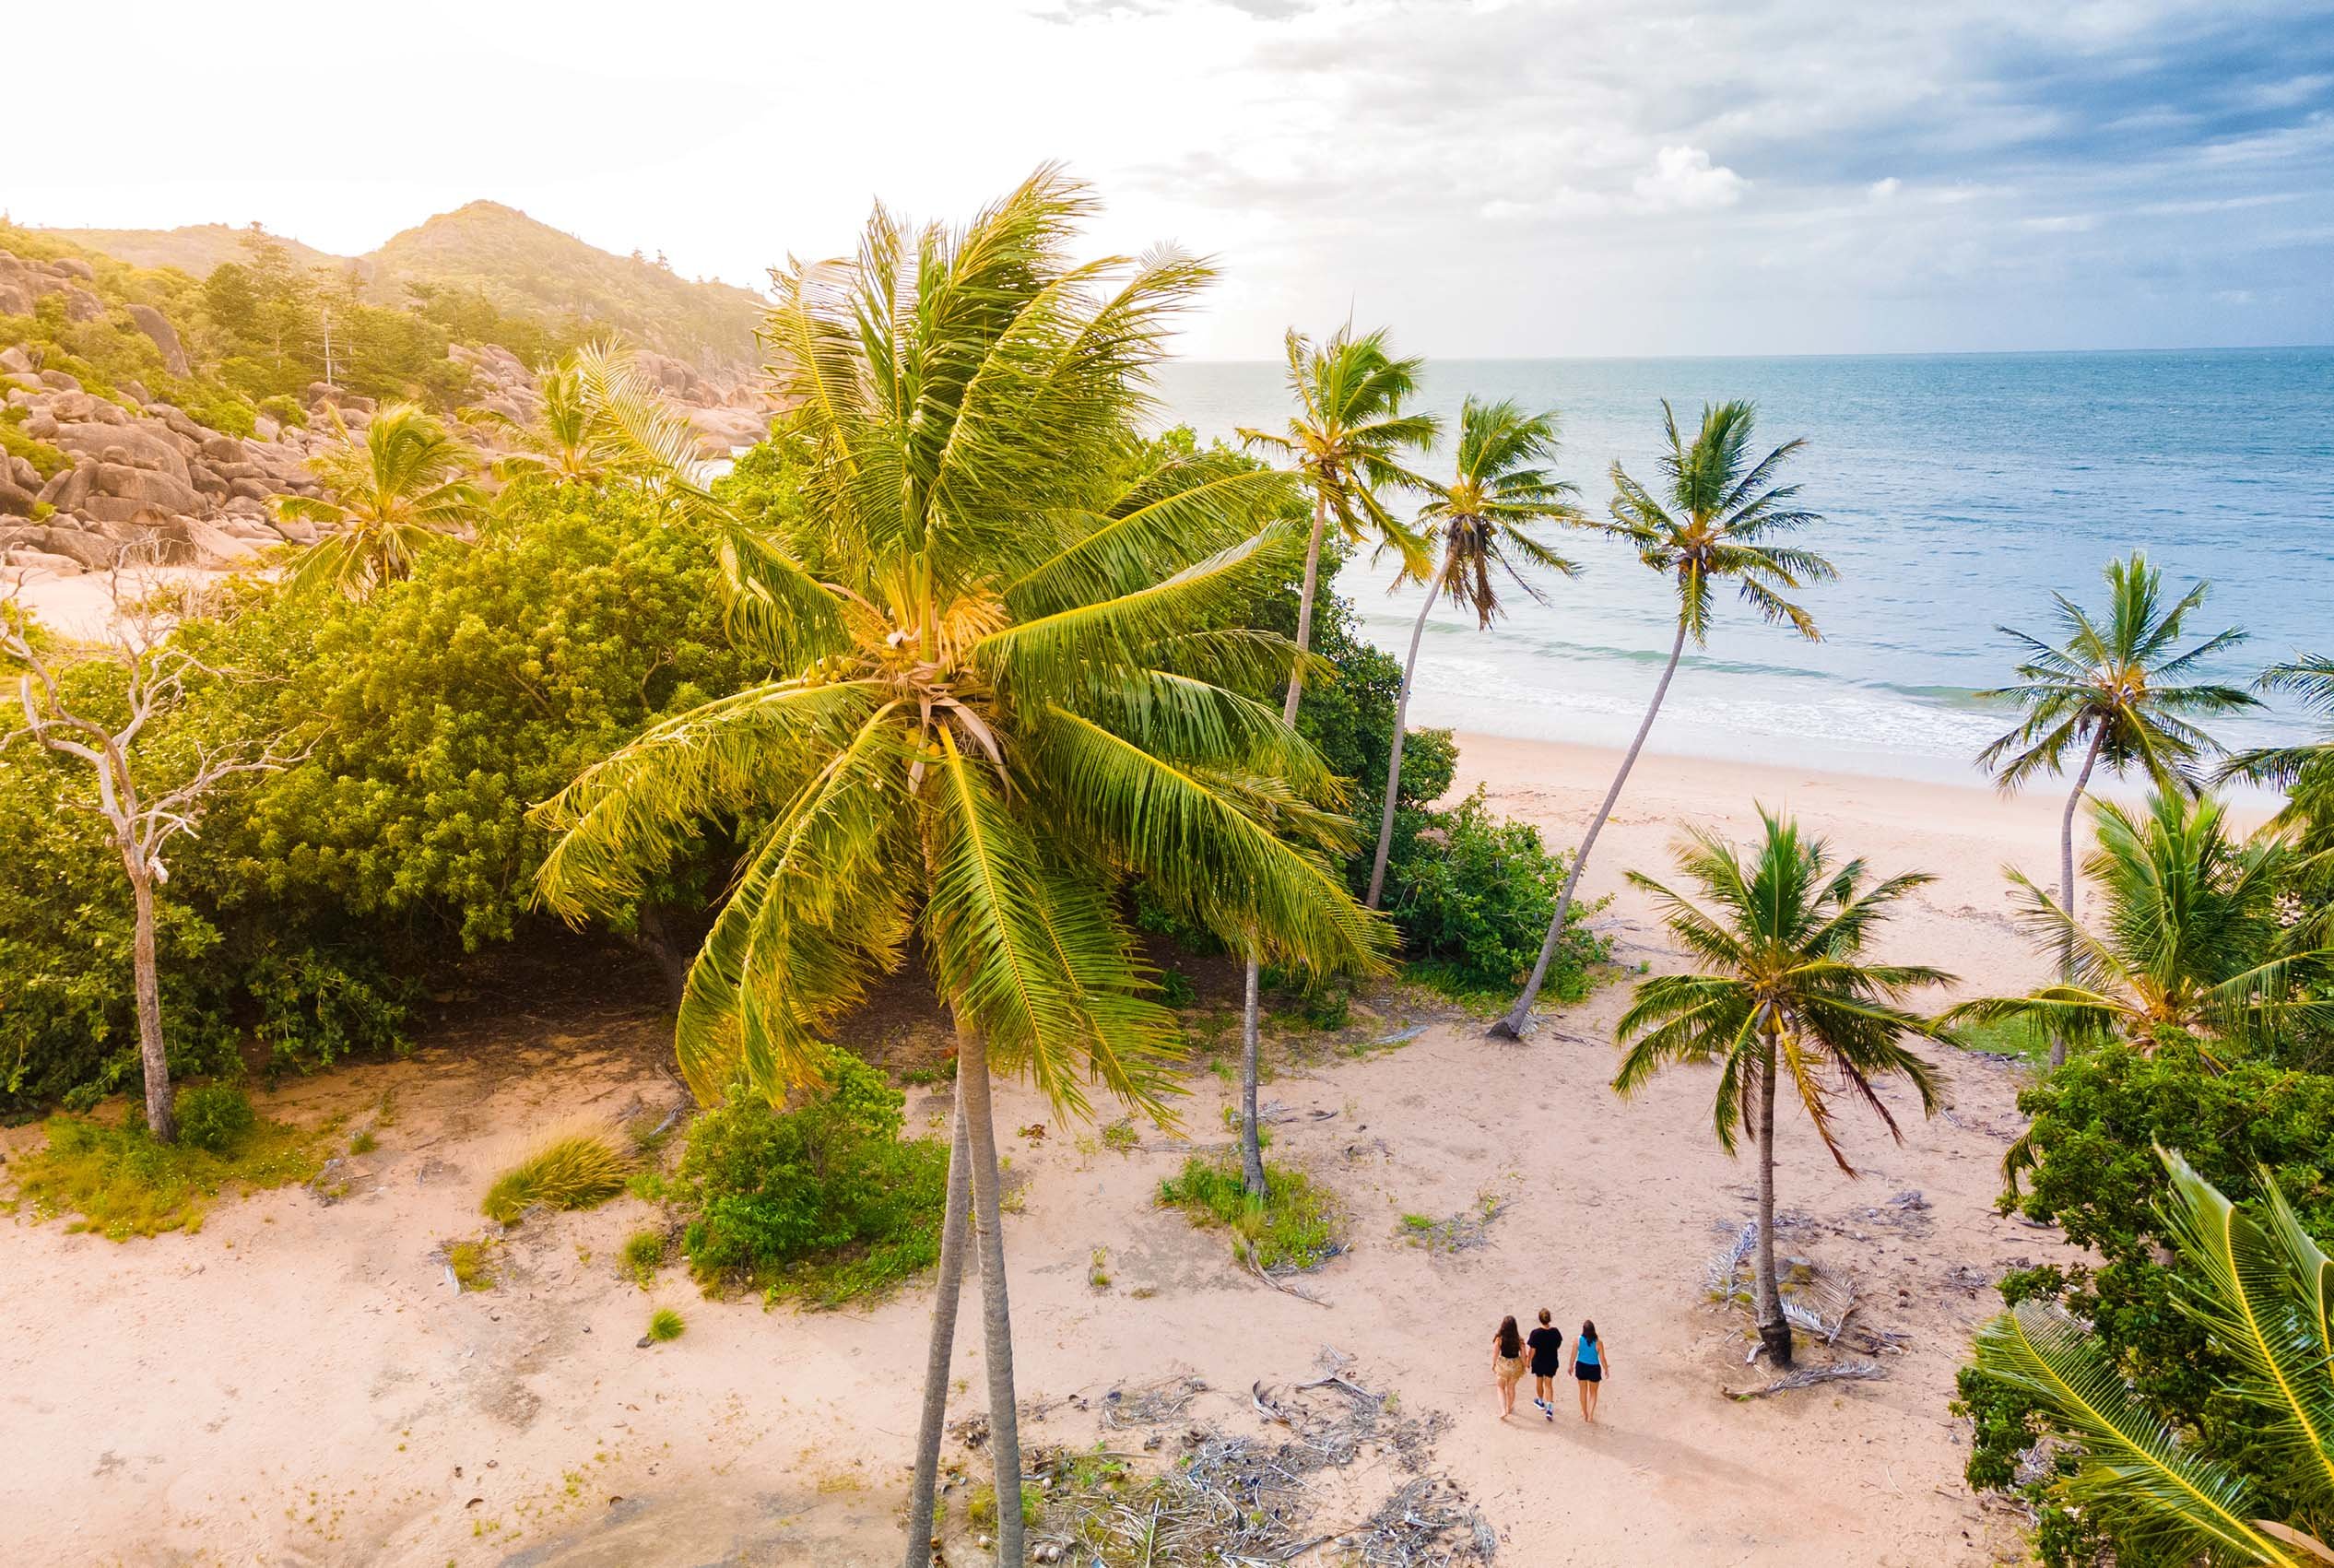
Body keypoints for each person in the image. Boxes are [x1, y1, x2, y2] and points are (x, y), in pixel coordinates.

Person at [1526, 1309, 1564, 1421]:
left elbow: (1532, 1350)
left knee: (1539, 1381)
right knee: (1548, 1384)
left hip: (1539, 1361)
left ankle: (1540, 1401)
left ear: (1540, 1319)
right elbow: (1558, 1345)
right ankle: (1550, 1409)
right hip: (1551, 1361)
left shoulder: (1535, 1333)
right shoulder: (1555, 1332)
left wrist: (1528, 1361)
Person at [1570, 1319, 1608, 1423]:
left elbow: (1573, 1355)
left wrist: (1570, 1366)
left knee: (1583, 1391)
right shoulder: (1599, 1342)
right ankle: (1590, 1416)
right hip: (1594, 1368)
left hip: (1581, 1366)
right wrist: (1606, 1369)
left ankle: (1584, 1412)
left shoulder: (1577, 1340)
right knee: (1593, 1393)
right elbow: (1602, 1358)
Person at [1491, 1315, 1526, 1419]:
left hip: (1503, 1366)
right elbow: (1523, 1356)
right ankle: (1509, 1407)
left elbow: (1495, 1354)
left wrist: (1493, 1364)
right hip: (1515, 1366)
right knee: (1511, 1388)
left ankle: (1503, 1410)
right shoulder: (1520, 1340)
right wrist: (1524, 1366)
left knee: (1500, 1387)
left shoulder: (1499, 1339)